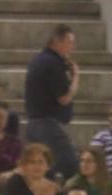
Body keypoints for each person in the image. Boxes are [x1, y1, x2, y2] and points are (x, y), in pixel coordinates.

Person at [23, 25, 79, 178]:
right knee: (70, 165)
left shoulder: (40, 60)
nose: (72, 47)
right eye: (69, 42)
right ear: (57, 41)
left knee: (47, 170)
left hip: (36, 123)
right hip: (47, 125)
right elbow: (64, 98)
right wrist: (75, 78)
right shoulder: (52, 63)